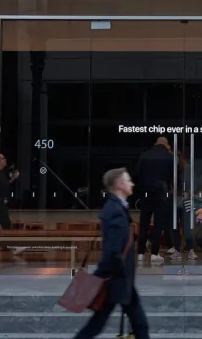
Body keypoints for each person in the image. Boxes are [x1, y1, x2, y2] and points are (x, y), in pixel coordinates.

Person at [73, 168, 149, 339]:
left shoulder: (116, 207)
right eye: (128, 180)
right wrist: (118, 272)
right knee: (100, 324)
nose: (132, 183)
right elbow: (114, 248)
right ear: (120, 184)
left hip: (120, 278)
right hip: (116, 278)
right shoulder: (114, 210)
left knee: (134, 323)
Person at [134, 137, 173, 264]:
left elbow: (137, 174)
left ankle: (140, 253)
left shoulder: (145, 155)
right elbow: (173, 175)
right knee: (158, 224)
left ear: (155, 143)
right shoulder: (169, 157)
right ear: (166, 145)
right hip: (161, 193)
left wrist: (140, 190)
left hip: (146, 193)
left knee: (144, 223)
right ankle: (154, 253)